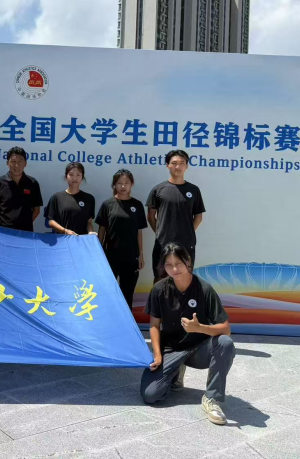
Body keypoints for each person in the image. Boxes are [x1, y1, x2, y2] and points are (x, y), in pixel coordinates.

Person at [141, 243, 235, 425]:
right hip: (171, 349)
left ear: (188, 262)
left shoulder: (204, 289)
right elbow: (154, 325)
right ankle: (176, 372)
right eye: (168, 265)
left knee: (225, 343)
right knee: (150, 395)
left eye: (178, 263)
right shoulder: (159, 290)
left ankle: (212, 398)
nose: (174, 269)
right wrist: (157, 355)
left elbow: (226, 329)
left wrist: (199, 328)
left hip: (199, 349)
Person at [146, 150, 205, 282]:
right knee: (160, 279)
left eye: (181, 163)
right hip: (163, 243)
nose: (177, 167)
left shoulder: (193, 190)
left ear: (186, 166)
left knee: (184, 278)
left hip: (186, 244)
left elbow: (198, 217)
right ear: (167, 165)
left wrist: (187, 233)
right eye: (174, 163)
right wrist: (160, 233)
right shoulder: (158, 189)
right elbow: (150, 216)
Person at [95, 169, 148, 309]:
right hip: (110, 256)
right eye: (119, 183)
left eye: (126, 183)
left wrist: (141, 254)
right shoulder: (107, 204)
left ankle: (126, 321)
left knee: (127, 293)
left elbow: (139, 231)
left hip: (131, 257)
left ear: (132, 184)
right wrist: (98, 252)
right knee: (108, 292)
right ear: (114, 185)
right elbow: (101, 230)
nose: (123, 186)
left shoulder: (137, 205)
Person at [0, 147, 43, 232]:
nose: (16, 165)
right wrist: (0, 225)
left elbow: (36, 210)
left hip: (25, 232)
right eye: (13, 161)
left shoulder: (32, 183)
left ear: (25, 163)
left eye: (20, 161)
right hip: (3, 232)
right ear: (7, 163)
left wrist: (26, 224)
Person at [45, 162, 96, 236]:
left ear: (82, 177)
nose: (74, 178)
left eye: (78, 175)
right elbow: (51, 221)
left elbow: (89, 222)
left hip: (81, 240)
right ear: (66, 177)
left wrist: (90, 232)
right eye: (71, 174)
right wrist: (65, 231)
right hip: (63, 239)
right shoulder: (56, 197)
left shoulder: (89, 198)